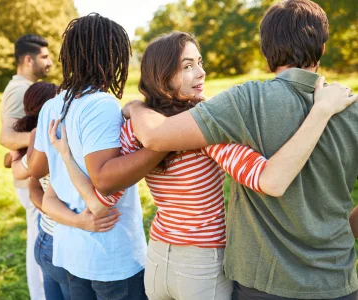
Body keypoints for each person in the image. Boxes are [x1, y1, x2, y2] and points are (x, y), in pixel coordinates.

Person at [47, 31, 354, 300]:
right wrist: (321, 110)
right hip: (201, 264)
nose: (201, 73)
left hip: (158, 259)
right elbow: (266, 178)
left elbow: (97, 205)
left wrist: (65, 155)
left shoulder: (133, 130)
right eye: (187, 66)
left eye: (200, 62)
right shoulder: (208, 134)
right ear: (163, 76)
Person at [123, 1, 358, 299]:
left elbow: (155, 137)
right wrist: (340, 234)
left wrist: (135, 105)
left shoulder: (245, 101)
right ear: (323, 48)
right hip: (337, 281)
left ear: (266, 49)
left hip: (262, 282)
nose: (200, 73)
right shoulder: (352, 109)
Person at [27, 13, 162, 299]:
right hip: (111, 256)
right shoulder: (100, 104)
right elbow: (104, 179)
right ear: (110, 58)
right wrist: (160, 146)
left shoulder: (53, 105)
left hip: (74, 253)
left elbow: (37, 169)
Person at [9, 82, 121, 300]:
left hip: (47, 235)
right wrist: (76, 220)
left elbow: (33, 184)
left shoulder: (37, 136)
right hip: (60, 238)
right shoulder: (54, 133)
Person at [0, 34, 52, 300]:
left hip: (32, 172)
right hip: (30, 178)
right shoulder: (18, 89)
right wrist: (42, 141)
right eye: (44, 57)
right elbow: (6, 137)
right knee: (39, 242)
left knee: (41, 238)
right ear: (28, 59)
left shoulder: (26, 87)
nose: (50, 62)